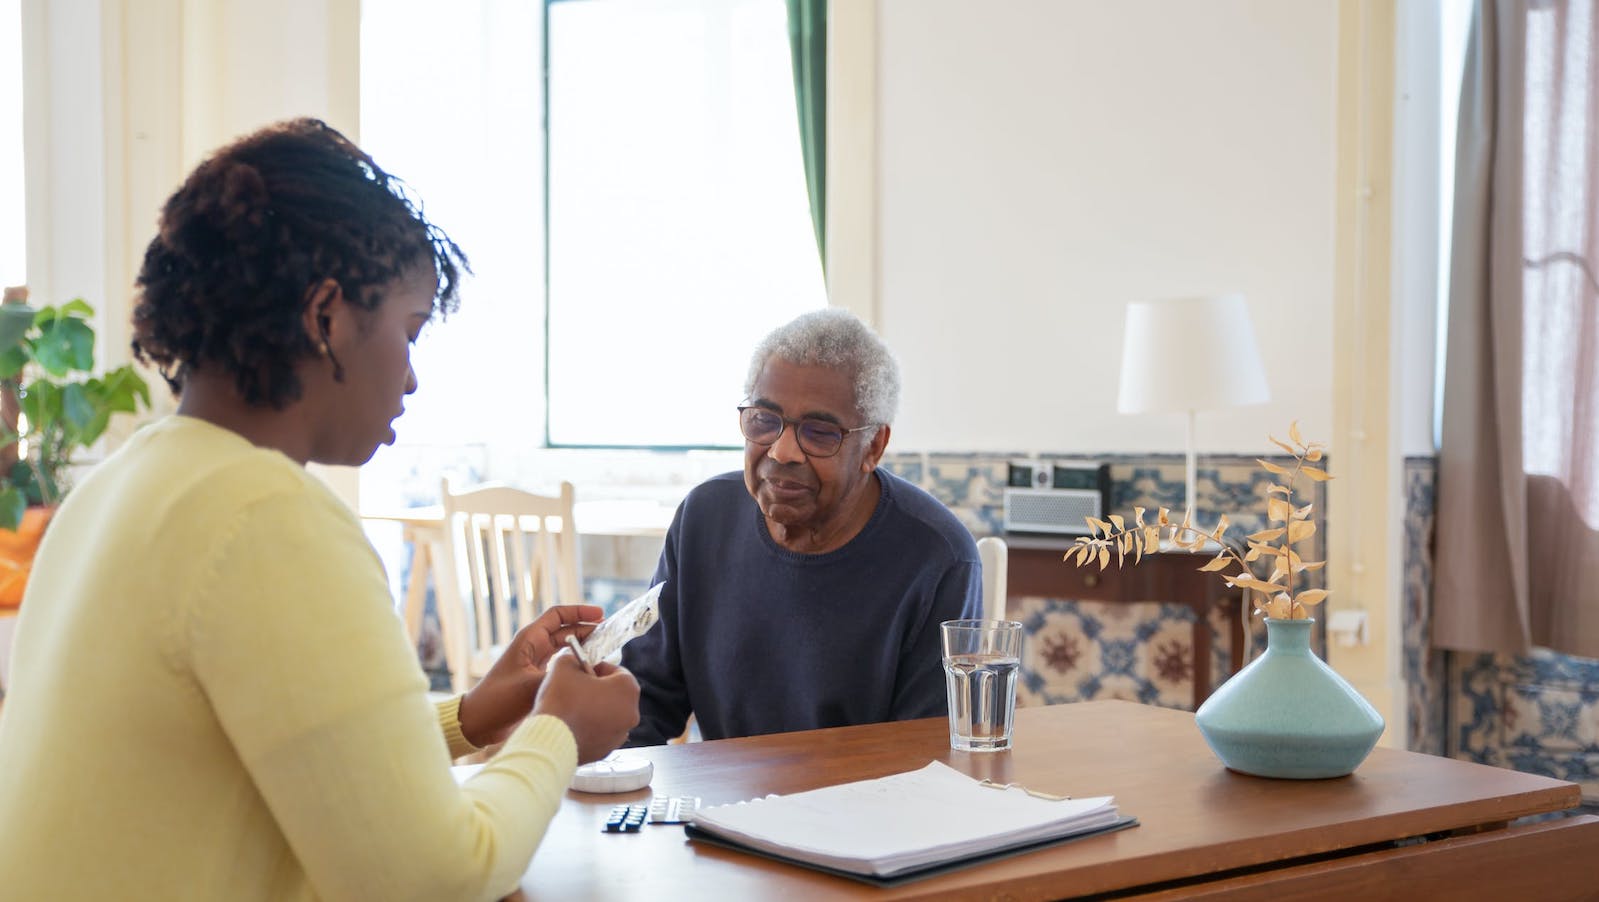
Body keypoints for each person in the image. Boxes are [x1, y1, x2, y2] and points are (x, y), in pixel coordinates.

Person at [0, 119, 639, 901]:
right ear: (326, 317)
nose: (411, 379)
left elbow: (267, 750)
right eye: (409, 331)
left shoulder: (117, 486)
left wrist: (474, 716)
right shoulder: (265, 514)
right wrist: (559, 733)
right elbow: (433, 877)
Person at [622, 308, 982, 746]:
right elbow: (645, 705)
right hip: (721, 805)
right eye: (764, 420)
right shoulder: (703, 518)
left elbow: (924, 754)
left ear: (874, 447)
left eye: (819, 432)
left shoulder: (938, 558)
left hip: (865, 807)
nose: (782, 450)